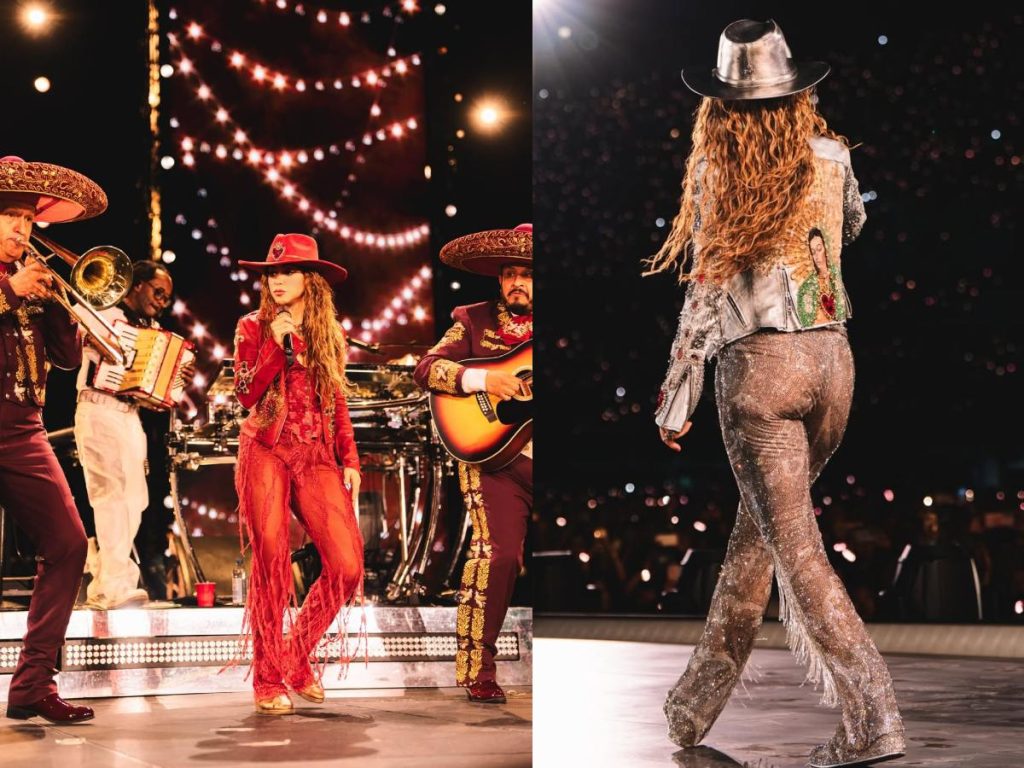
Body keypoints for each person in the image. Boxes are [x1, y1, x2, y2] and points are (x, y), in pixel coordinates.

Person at [645, 21, 905, 768]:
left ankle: (874, 716)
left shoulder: (719, 168)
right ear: (799, 92)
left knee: (799, 554)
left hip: (761, 373)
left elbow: (706, 290)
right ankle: (694, 704)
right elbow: (852, 227)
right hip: (832, 364)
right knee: (759, 536)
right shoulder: (831, 154)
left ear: (721, 103)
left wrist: (677, 395)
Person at [232, 233, 363, 715]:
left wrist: (350, 459)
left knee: (347, 566)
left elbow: (338, 401)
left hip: (316, 454)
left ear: (311, 280)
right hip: (265, 448)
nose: (277, 280)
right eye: (271, 272)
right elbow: (245, 394)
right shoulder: (252, 326)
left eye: (286, 271)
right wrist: (276, 343)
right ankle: (268, 677)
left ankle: (294, 653)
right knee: (270, 560)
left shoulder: (331, 332)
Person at [0, 155, 106, 723]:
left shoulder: (32, 276)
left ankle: (32, 685)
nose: (23, 229)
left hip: (21, 429)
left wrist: (60, 307)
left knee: (68, 542)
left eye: (27, 219)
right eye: (11, 217)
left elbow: (66, 361)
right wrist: (12, 291)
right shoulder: (12, 281)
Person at [413, 223, 533, 704]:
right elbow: (428, 368)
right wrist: (483, 379)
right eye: (509, 275)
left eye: (526, 273)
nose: (516, 283)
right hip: (490, 458)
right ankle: (477, 669)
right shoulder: (475, 319)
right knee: (498, 556)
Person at [74, 260, 184, 610]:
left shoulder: (151, 329)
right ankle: (113, 585)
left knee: (135, 499)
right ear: (136, 285)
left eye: (167, 297)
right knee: (110, 496)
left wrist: (174, 377)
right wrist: (90, 333)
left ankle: (104, 577)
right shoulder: (102, 310)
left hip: (129, 415)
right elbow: (70, 326)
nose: (162, 302)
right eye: (158, 292)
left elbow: (157, 388)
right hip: (98, 406)